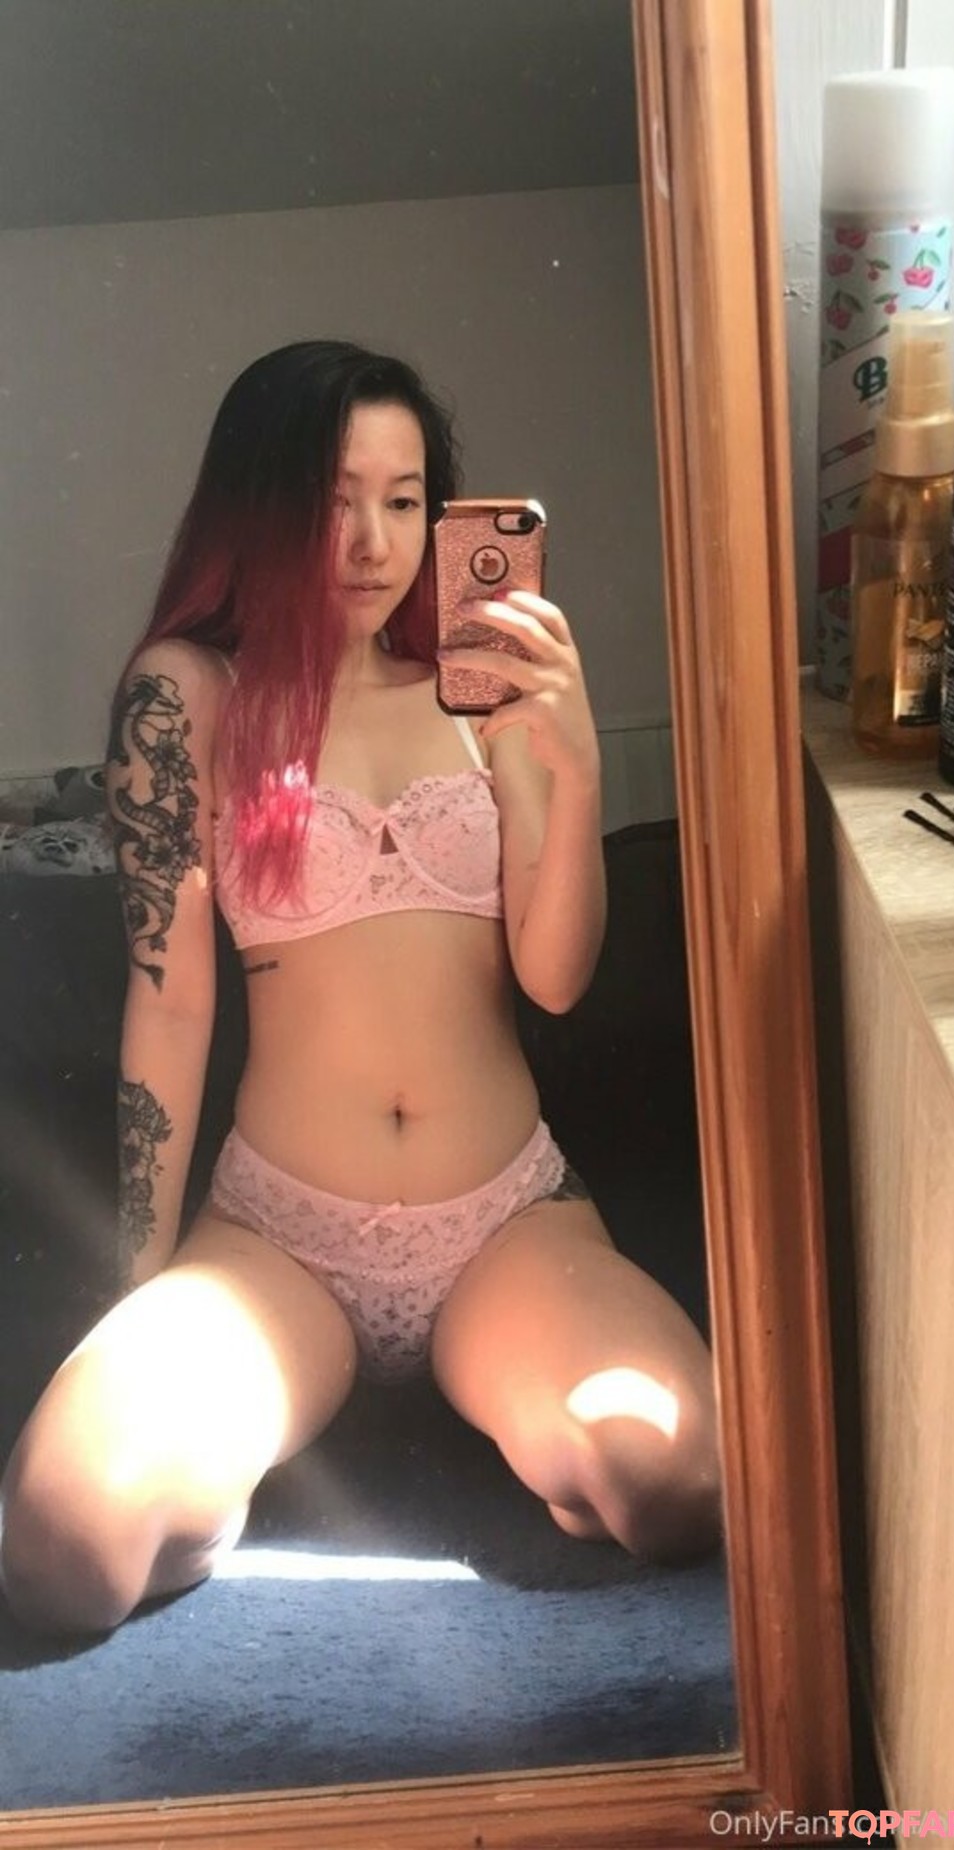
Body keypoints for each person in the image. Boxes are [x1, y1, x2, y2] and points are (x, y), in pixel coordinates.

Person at [0, 340, 721, 1635]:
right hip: (283, 1237)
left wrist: (571, 767)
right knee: (64, 1546)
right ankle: (224, 1473)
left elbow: (554, 978)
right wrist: (138, 1277)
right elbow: (170, 1003)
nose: (374, 540)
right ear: (261, 503)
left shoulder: (479, 690)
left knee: (680, 1478)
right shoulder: (188, 697)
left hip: (504, 1219)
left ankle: (508, 1419)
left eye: (403, 498)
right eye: (335, 500)